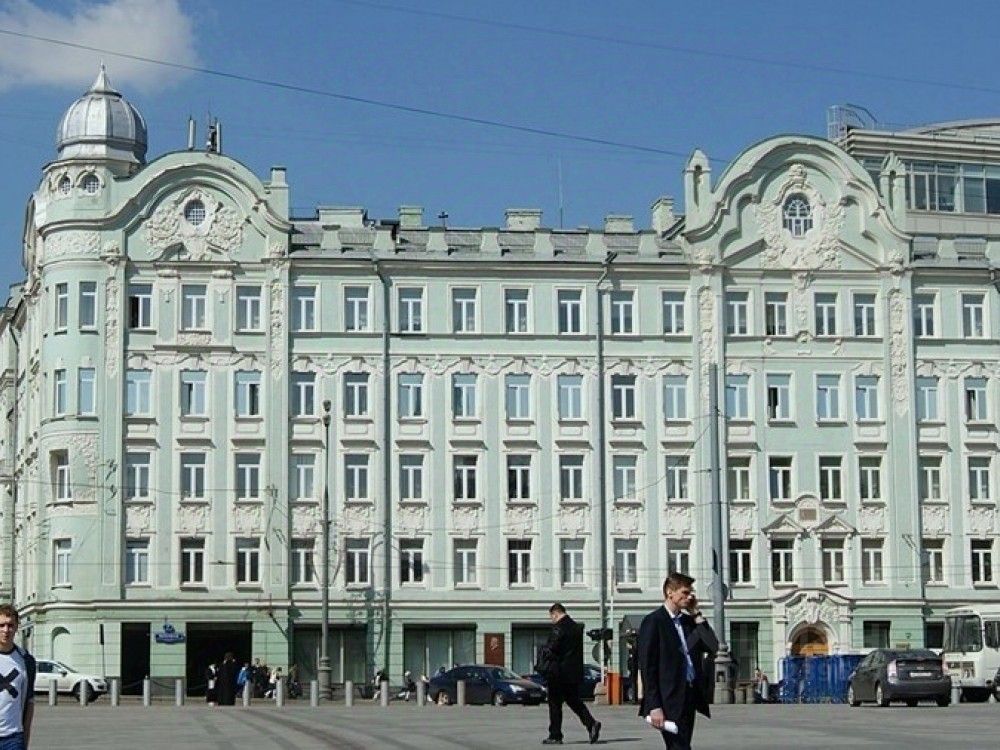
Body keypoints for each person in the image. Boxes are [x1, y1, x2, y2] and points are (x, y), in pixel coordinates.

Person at [638, 572, 718, 750]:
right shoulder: (654, 622)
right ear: (670, 592)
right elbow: (648, 667)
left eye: (691, 593)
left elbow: (712, 646)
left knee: (682, 745)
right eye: (685, 592)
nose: (689, 597)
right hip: (668, 698)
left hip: (689, 695)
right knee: (679, 746)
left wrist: (696, 614)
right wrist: (654, 705)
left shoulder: (689, 622)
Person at [539, 603, 601, 746]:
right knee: (574, 701)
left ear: (555, 614)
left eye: (552, 617)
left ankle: (555, 735)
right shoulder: (576, 628)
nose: (552, 620)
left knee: (555, 704)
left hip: (558, 672)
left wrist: (544, 652)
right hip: (573, 672)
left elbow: (552, 648)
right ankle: (591, 723)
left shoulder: (558, 628)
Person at [0, 605, 34, 750]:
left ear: (16, 627)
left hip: (13, 737)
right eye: (1, 625)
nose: (6, 630)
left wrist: (25, 740)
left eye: (10, 625)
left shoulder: (26, 660)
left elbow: (30, 702)